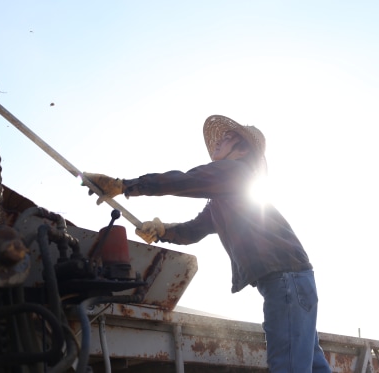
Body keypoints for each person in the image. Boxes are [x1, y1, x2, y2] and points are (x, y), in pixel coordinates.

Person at [82, 114, 331, 373]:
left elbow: (186, 180)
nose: (220, 140)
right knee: (312, 364)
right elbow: (193, 231)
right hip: (292, 281)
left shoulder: (236, 171)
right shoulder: (225, 197)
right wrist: (162, 230)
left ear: (243, 149)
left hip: (286, 282)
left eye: (228, 137)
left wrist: (124, 186)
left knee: (288, 367)